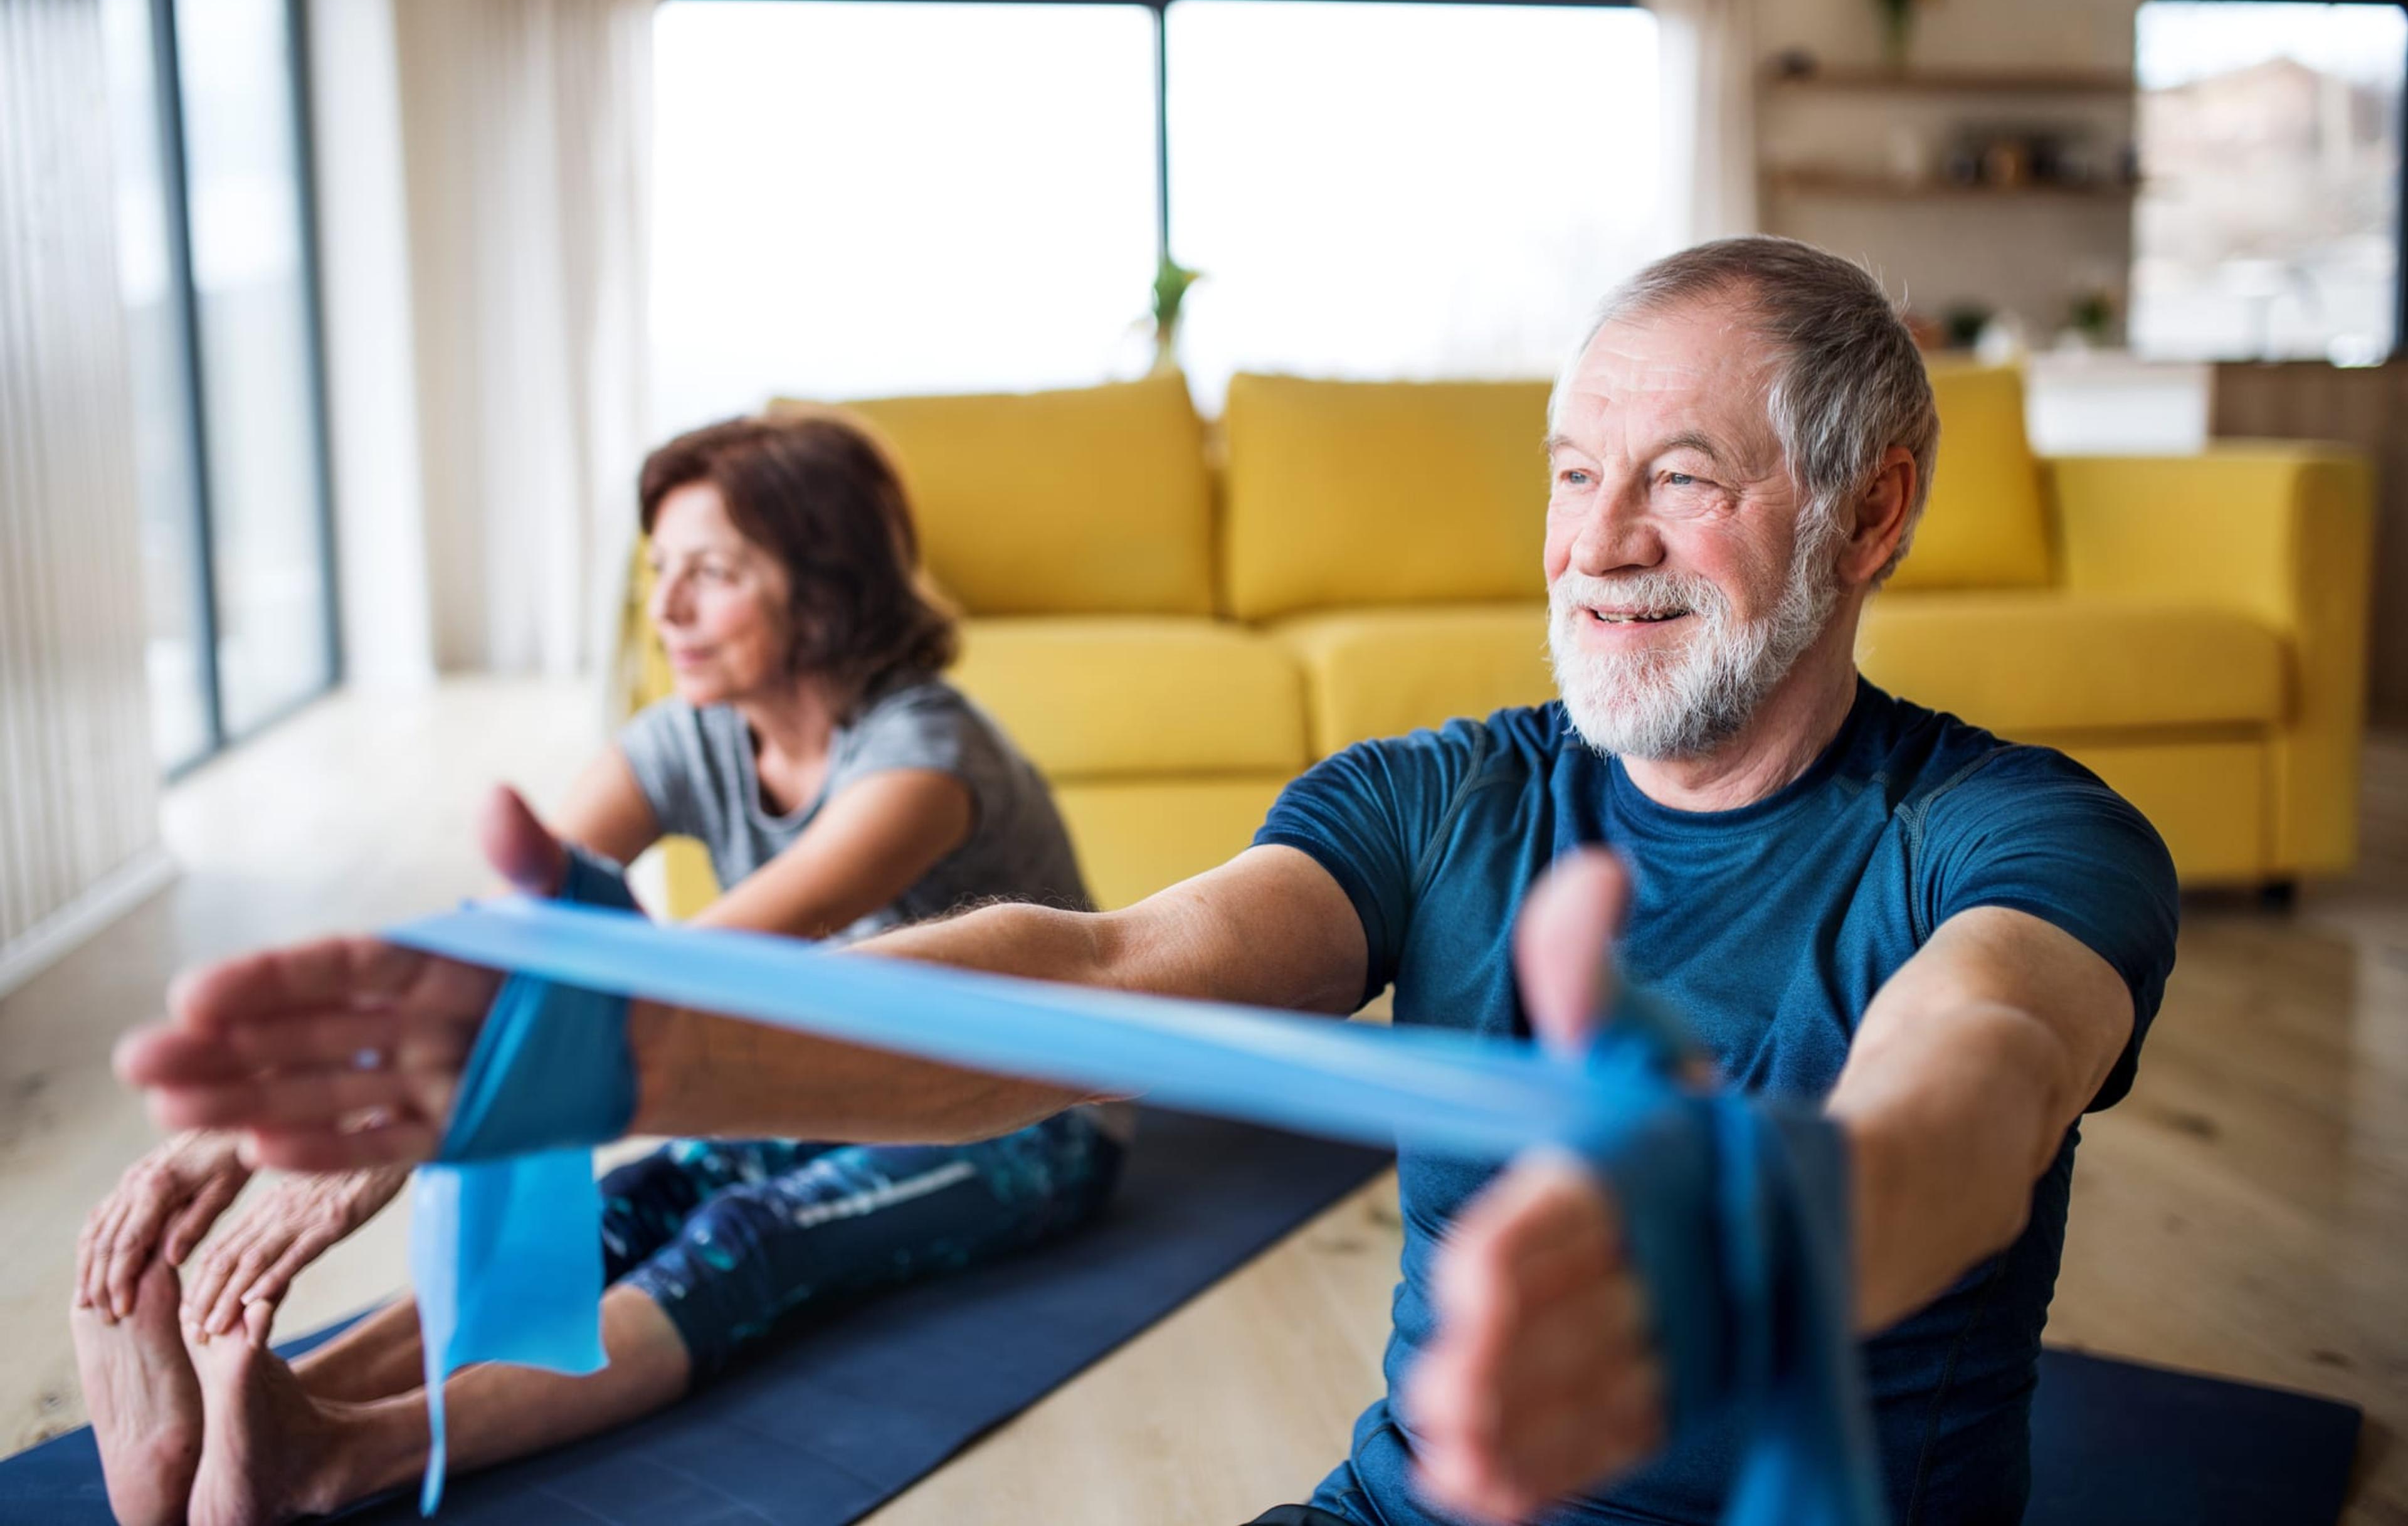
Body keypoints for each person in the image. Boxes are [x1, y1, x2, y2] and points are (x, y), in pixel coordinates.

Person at [120, 236, 2178, 1526]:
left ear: (1871, 510)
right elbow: (1107, 968)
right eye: (1570, 472)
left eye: (1683, 476)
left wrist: (1773, 1230)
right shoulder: (1447, 799)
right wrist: (625, 1052)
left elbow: (1966, 1096)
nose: (1600, 542)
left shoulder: (2015, 841)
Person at [74, 413, 1122, 1526]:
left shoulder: (923, 761)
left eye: (710, 574)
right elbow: (499, 937)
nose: (665, 609)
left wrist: (418, 1117)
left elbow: (686, 986)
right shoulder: (690, 735)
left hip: (1025, 1114)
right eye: (660, 569)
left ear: (829, 585)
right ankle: (249, 1420)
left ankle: (336, 1456)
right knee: (627, 1206)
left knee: (746, 1242)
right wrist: (245, 1122)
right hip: (840, 1082)